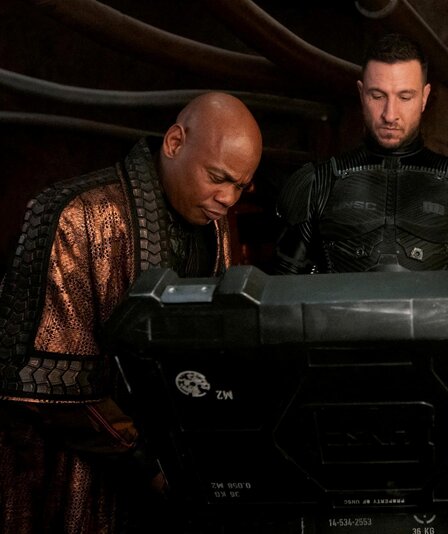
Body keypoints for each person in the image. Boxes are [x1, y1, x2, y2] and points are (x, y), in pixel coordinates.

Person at [0, 92, 262, 533]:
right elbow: (43, 381)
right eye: (218, 178)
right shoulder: (74, 215)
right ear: (175, 143)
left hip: (176, 472)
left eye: (240, 186)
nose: (228, 198)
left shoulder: (215, 225)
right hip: (66, 477)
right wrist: (148, 464)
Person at [271, 33, 448, 274]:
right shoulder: (317, 184)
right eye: (377, 96)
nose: (390, 114)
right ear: (361, 93)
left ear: (424, 97)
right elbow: (281, 289)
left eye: (405, 97)